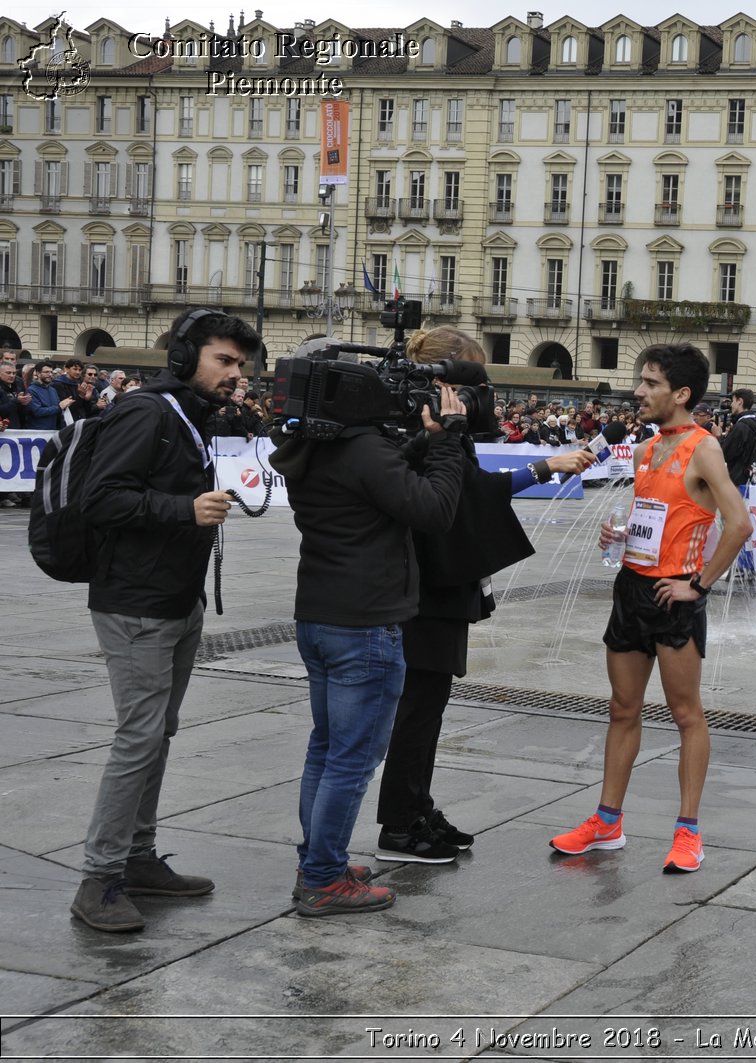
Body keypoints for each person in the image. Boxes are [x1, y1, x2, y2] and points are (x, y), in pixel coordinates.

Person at [374, 327, 595, 863]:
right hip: (427, 586)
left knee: (429, 705)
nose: (482, 397)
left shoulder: (440, 429)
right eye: (475, 382)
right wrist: (544, 466)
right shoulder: (426, 428)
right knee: (419, 708)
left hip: (440, 583)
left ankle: (416, 808)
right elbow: (470, 493)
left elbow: (468, 489)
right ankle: (400, 827)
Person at [69, 309, 258, 932]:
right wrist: (184, 508)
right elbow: (100, 497)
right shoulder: (145, 411)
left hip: (178, 601)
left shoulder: (191, 416)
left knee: (158, 733)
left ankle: (139, 857)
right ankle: (100, 878)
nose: (236, 374)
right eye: (224, 361)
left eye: (240, 363)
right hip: (135, 605)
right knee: (139, 737)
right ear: (183, 358)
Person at [268, 354, 468, 917]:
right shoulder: (364, 450)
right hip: (366, 624)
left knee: (325, 750)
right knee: (352, 760)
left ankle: (318, 861)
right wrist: (448, 442)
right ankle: (324, 879)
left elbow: (379, 483)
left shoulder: (311, 447)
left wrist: (419, 444)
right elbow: (432, 509)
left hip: (319, 616)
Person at [550, 344, 753, 873]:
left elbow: (739, 524)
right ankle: (607, 822)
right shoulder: (645, 450)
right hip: (631, 589)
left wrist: (699, 586)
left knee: (686, 714)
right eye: (641, 382)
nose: (637, 392)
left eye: (649, 383)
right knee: (622, 708)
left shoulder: (704, 449)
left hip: (672, 597)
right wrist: (618, 536)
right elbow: (653, 519)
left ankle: (688, 831)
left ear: (680, 394)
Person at [719, 389, 756, 486]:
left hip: (738, 481)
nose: (731, 405)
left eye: (733, 401)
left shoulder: (741, 426)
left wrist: (719, 436)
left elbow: (725, 454)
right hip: (750, 480)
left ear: (740, 402)